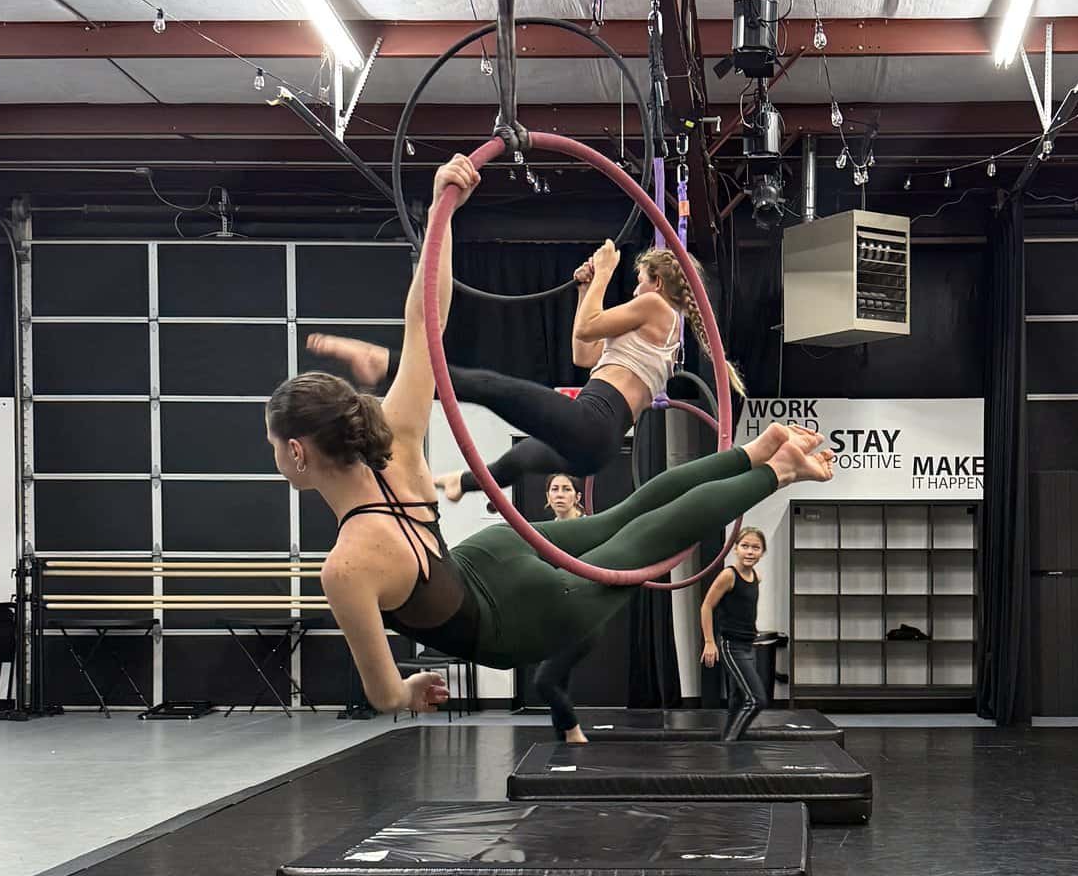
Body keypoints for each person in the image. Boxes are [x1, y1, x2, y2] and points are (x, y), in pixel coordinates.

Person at [269, 158, 832, 713]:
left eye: (273, 446)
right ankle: (755, 453)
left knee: (639, 541)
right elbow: (425, 326)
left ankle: (774, 470)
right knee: (626, 518)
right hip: (487, 556)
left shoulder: (346, 568)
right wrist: (444, 214)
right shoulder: (397, 437)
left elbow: (387, 694)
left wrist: (412, 691)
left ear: (297, 452)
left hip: (509, 618)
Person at [307, 242, 741, 502]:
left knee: (490, 386)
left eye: (640, 280)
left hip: (595, 421)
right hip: (597, 442)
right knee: (523, 457)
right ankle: (463, 483)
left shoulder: (655, 307)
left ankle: (384, 363)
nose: (636, 289)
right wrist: (589, 289)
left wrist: (604, 274)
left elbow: (590, 326)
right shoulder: (657, 327)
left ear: (657, 284)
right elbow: (584, 353)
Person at [528, 472, 592, 744]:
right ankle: (563, 749)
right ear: (547, 497)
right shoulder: (543, 533)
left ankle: (573, 733)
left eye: (566, 489)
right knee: (558, 683)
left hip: (582, 616)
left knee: (544, 681)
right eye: (554, 489)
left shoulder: (590, 528)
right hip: (554, 618)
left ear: (577, 497)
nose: (559, 494)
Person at [702, 526, 769, 743]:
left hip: (749, 645)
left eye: (756, 548)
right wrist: (710, 642)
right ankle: (730, 744)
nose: (750, 552)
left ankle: (729, 749)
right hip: (732, 646)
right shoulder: (728, 576)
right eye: (745, 546)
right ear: (735, 549)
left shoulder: (756, 577)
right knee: (756, 699)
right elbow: (706, 606)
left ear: (762, 552)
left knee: (737, 700)